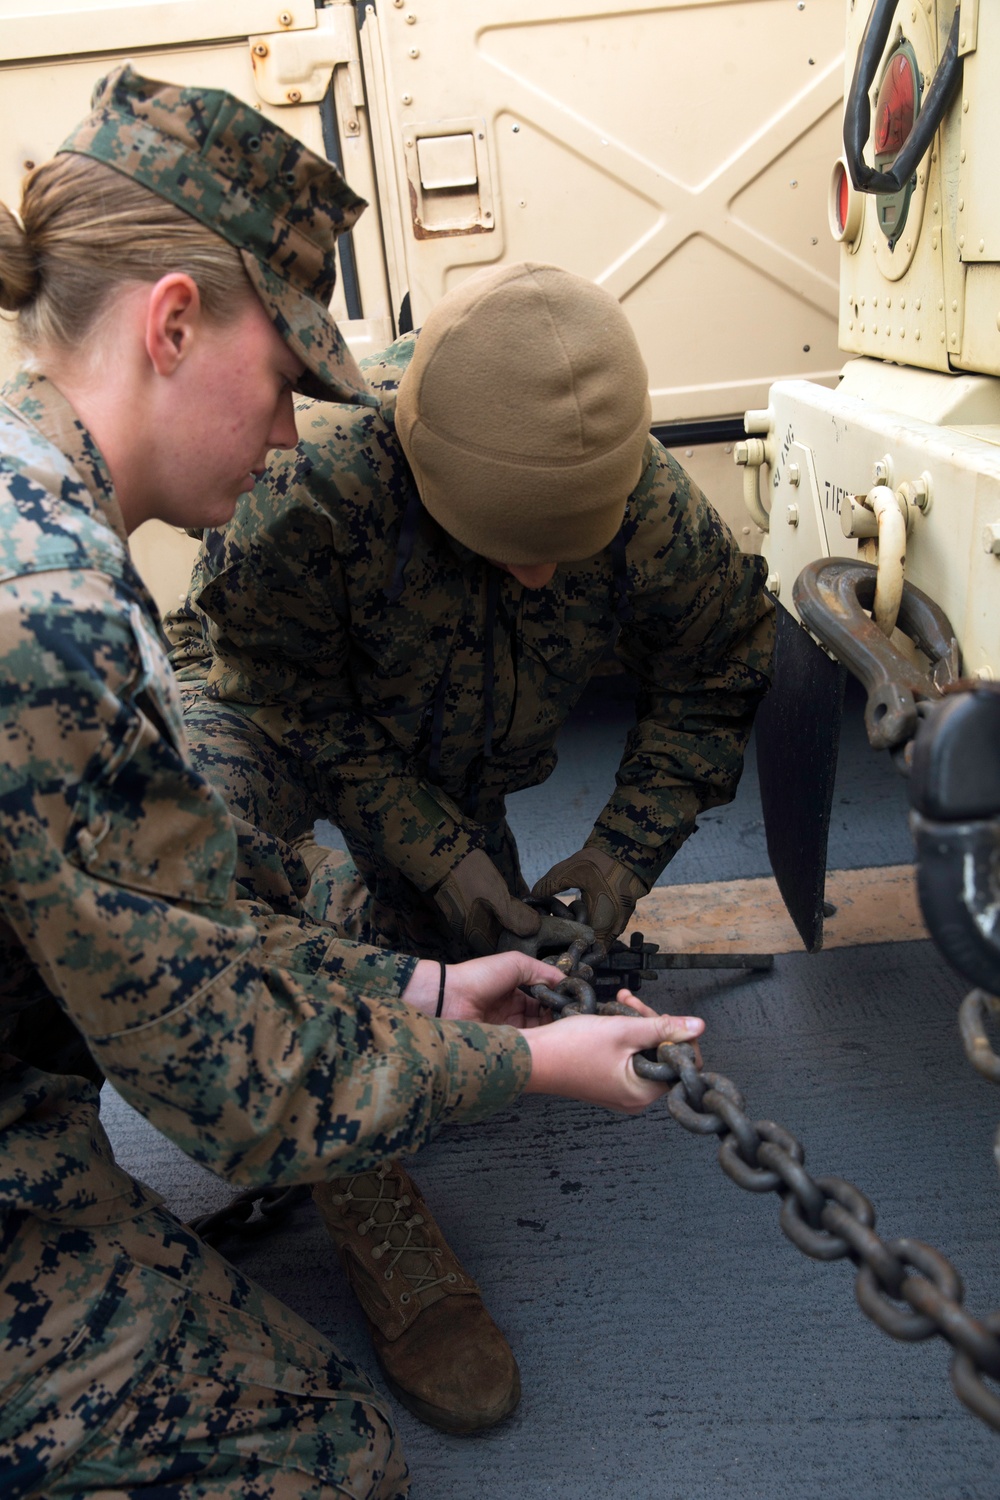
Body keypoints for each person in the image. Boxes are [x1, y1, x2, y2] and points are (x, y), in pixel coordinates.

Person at [0, 67, 706, 1500]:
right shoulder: (50, 618)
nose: (283, 433)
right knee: (324, 1460)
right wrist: (522, 1063)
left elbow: (183, 923)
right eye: (282, 382)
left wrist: (427, 992)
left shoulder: (40, 516)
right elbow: (232, 1081)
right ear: (175, 321)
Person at [167, 260, 774, 966]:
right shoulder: (305, 485)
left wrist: (622, 858)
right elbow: (290, 704)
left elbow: (718, 671)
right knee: (189, 839)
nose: (540, 576)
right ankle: (306, 896)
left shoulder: (651, 505)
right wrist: (439, 853)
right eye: (509, 548)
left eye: (567, 550)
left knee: (481, 954)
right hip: (261, 702)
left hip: (455, 752)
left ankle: (385, 922)